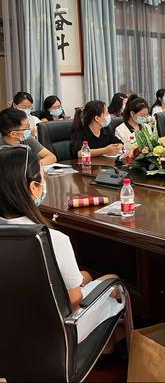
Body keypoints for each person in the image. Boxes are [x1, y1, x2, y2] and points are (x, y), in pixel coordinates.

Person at [0, 146, 124, 343]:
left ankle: (107, 346)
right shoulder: (51, 239)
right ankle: (116, 342)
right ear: (33, 187)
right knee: (113, 280)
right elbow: (74, 300)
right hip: (55, 334)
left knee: (85, 276)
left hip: (10, 329)